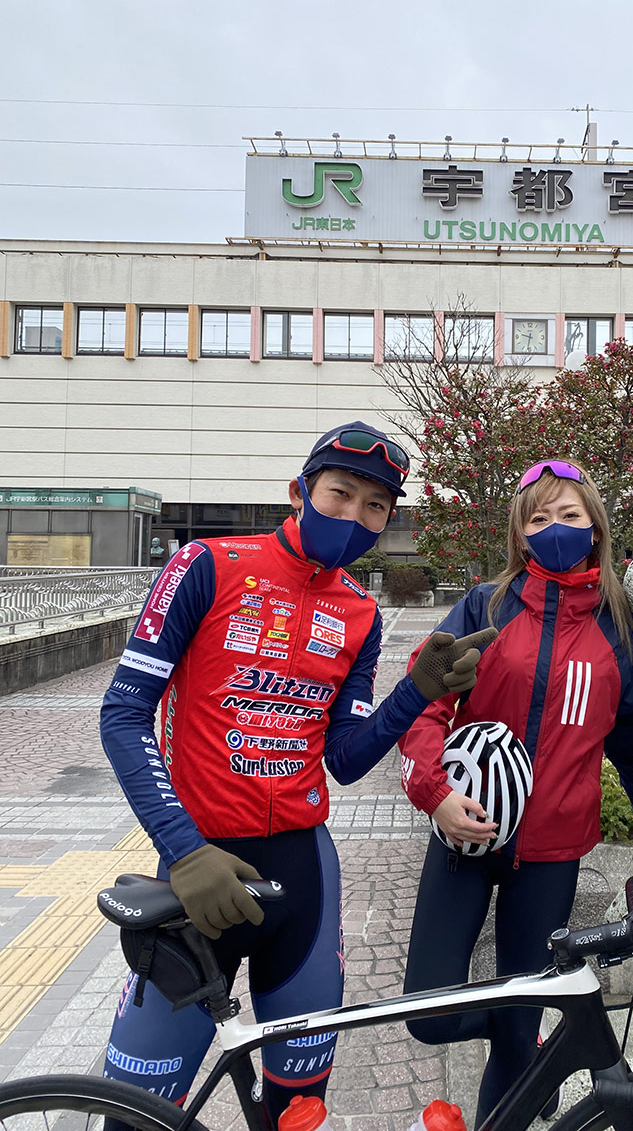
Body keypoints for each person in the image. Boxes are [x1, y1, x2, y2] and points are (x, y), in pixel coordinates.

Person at [99, 420, 496, 1122]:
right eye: (340, 494)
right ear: (299, 491)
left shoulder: (360, 612)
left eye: (375, 506)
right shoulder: (206, 566)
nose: (354, 515)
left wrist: (419, 694)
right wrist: (184, 850)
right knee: (133, 1112)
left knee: (296, 1112)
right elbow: (124, 715)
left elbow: (344, 759)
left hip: (304, 880)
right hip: (196, 876)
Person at [399, 459, 633, 1124]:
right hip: (464, 834)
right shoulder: (485, 605)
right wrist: (436, 793)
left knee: (513, 1040)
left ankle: (520, 1043)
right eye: (538, 518)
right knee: (426, 1013)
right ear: (519, 534)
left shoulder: (620, 627)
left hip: (551, 855)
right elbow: (424, 707)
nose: (554, 529)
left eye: (569, 515)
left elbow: (631, 743)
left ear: (595, 526)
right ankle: (528, 1027)